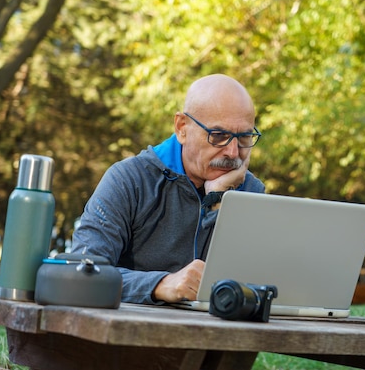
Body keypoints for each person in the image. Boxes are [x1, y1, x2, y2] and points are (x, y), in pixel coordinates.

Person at [71, 74, 265, 304]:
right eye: (219, 136)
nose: (233, 153)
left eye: (243, 138)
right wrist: (160, 285)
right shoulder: (128, 180)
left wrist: (218, 200)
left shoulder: (250, 190)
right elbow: (80, 273)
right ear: (182, 128)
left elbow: (255, 285)